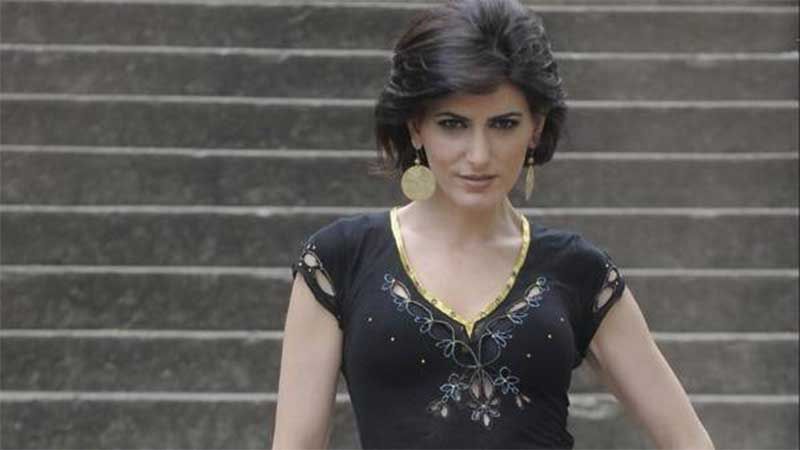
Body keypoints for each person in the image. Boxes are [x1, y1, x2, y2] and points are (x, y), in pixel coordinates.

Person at [272, 1, 715, 449]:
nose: (479, 155)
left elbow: (689, 440)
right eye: (453, 124)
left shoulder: (579, 270)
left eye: (504, 124)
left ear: (536, 128)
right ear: (415, 127)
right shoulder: (339, 261)